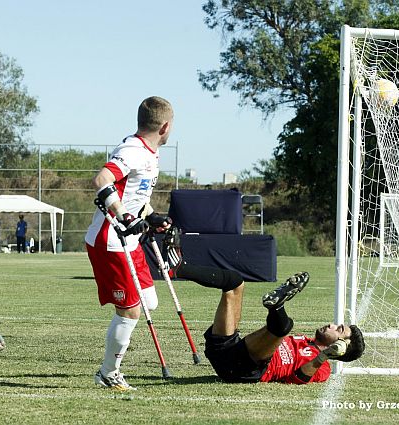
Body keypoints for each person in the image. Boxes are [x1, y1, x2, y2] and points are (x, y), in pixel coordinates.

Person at [162, 228, 366, 384]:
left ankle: (276, 307)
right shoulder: (304, 340)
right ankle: (179, 268)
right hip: (228, 351)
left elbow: (299, 378)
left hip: (243, 370)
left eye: (338, 329)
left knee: (284, 327)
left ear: (341, 348)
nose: (332, 324)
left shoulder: (323, 369)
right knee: (234, 282)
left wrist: (323, 356)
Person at [85, 96, 174, 391]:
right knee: (131, 311)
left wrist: (151, 216)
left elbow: (135, 197)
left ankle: (115, 355)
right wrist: (123, 216)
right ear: (165, 126)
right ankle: (108, 372)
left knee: (150, 301)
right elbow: (102, 180)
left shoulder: (150, 153)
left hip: (131, 240)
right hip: (110, 241)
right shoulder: (132, 150)